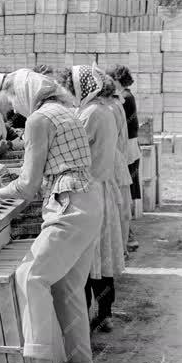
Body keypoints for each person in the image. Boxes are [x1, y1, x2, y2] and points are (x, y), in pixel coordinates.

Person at [0, 69, 102, 363]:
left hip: (69, 205)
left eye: (12, 98)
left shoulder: (39, 119)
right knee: (67, 289)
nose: (13, 106)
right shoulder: (65, 112)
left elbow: (27, 187)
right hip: (89, 203)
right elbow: (42, 174)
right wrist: (5, 185)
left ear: (25, 92)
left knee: (29, 275)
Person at [56, 65, 124, 333]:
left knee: (84, 259)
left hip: (88, 190)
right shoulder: (103, 111)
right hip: (102, 188)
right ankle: (105, 312)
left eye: (70, 91)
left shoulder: (90, 114)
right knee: (101, 258)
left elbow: (72, 150)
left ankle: (81, 319)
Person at [107, 65, 140, 252]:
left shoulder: (123, 99)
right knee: (128, 189)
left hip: (126, 148)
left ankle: (128, 235)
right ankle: (128, 234)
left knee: (125, 190)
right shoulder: (126, 96)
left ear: (117, 80)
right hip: (128, 146)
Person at [102, 76, 133, 259]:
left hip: (111, 162)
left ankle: (118, 252)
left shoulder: (109, 109)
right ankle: (122, 249)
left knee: (116, 209)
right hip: (118, 160)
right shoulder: (116, 105)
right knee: (121, 209)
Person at [7, 64, 55, 132]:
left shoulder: (51, 101)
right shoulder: (21, 103)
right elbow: (10, 126)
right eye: (45, 80)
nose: (48, 85)